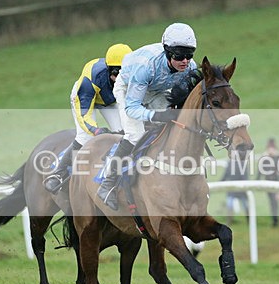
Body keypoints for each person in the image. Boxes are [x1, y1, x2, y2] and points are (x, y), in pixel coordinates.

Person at [96, 22, 198, 210]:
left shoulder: (190, 66)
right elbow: (132, 108)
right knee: (135, 135)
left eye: (189, 55)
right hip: (128, 89)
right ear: (168, 53)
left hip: (155, 89)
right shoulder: (147, 67)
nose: (185, 61)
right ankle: (107, 183)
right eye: (179, 56)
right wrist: (156, 116)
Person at [44, 43, 132, 193]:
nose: (120, 78)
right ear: (109, 69)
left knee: (123, 132)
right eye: (116, 73)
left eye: (125, 73)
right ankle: (58, 173)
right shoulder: (92, 79)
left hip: (110, 100)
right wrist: (96, 131)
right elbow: (84, 116)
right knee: (85, 136)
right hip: (85, 99)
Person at [257, 137, 279, 227]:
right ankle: (274, 219)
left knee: (275, 202)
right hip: (268, 184)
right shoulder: (265, 158)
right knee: (272, 202)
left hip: (276, 184)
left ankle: (276, 220)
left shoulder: (278, 158)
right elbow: (260, 171)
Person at [222, 149, 250, 225]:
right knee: (229, 205)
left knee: (246, 206)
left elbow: (245, 178)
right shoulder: (229, 163)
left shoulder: (242, 164)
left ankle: (249, 221)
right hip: (232, 190)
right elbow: (225, 176)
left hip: (241, 190)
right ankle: (229, 222)